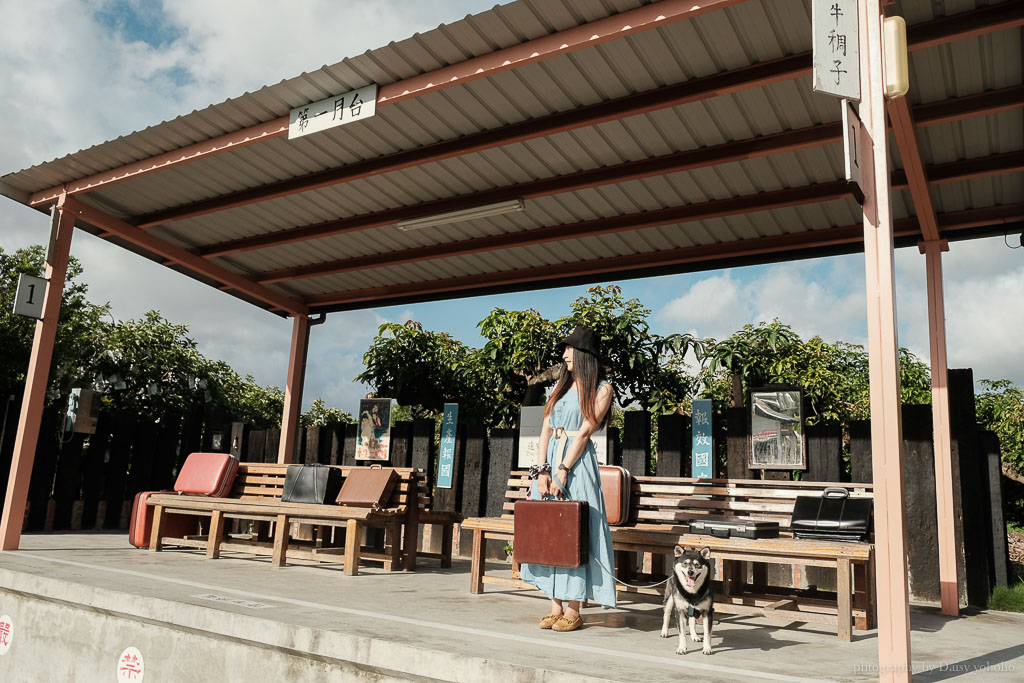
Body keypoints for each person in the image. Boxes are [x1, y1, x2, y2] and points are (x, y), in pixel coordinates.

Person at [520, 325, 616, 632]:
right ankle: (555, 604)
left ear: (585, 354)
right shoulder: (558, 389)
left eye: (569, 350)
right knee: (550, 533)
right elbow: (546, 429)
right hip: (550, 465)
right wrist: (541, 471)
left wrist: (562, 470)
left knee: (575, 532)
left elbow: (586, 431)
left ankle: (574, 609)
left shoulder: (602, 389)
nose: (564, 355)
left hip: (577, 466)